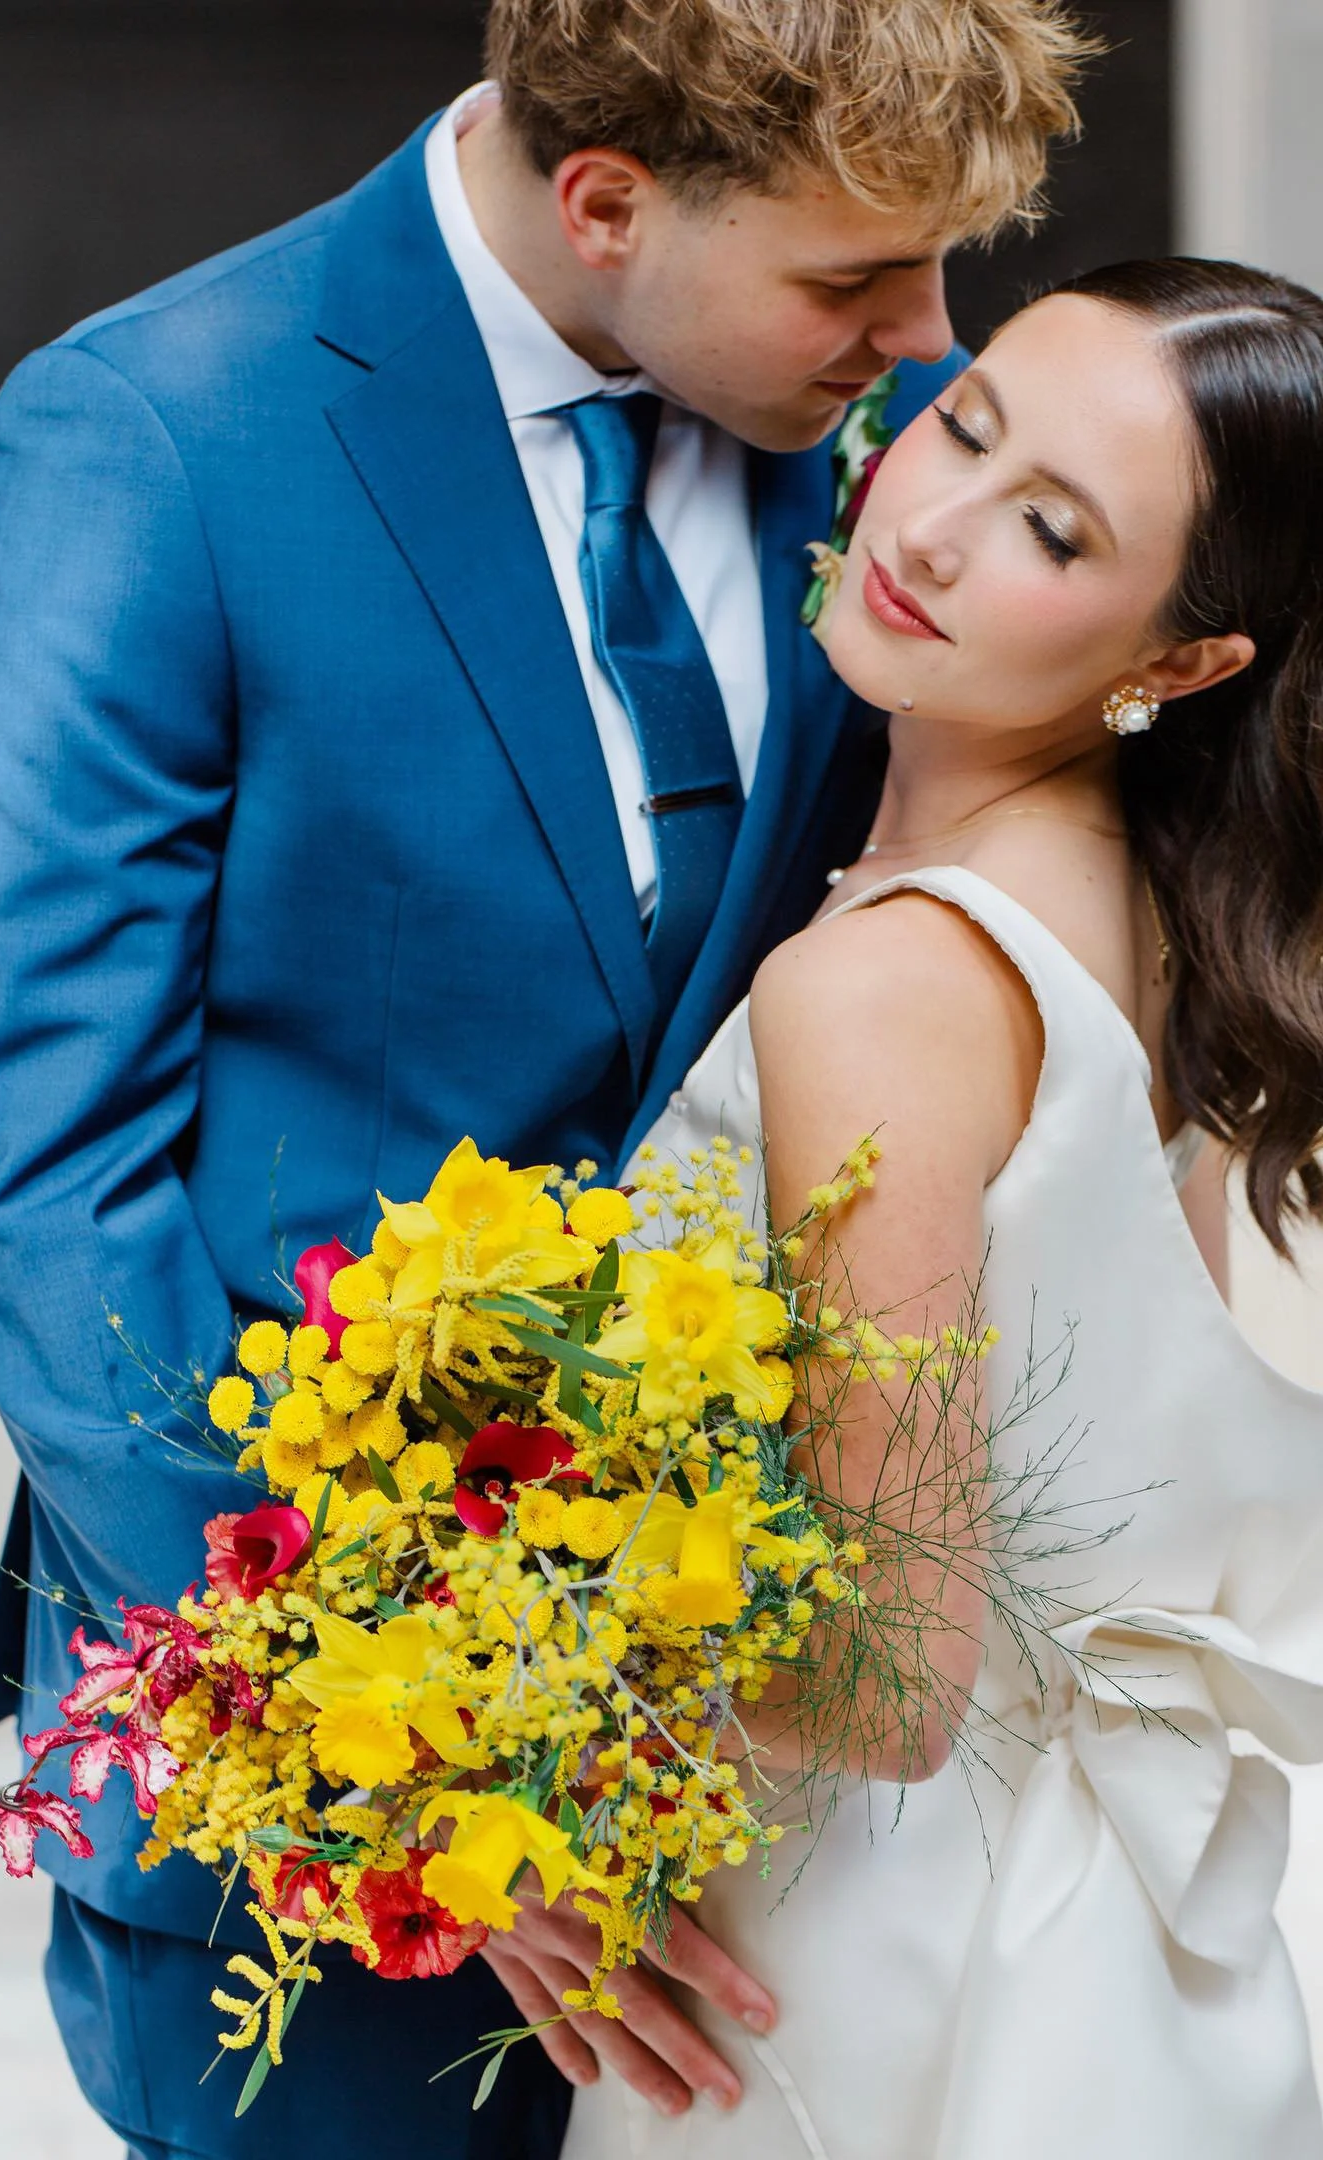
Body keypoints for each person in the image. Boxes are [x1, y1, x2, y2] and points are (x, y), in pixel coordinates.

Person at [0, 3, 1094, 2156]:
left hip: (802, 1773)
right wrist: (414, 1760)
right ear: (607, 203)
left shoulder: (902, 442)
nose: (929, 340)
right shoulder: (155, 435)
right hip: (325, 1776)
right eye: (853, 280)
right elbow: (29, 1165)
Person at [563, 257, 1323, 2160]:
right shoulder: (1165, 924)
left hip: (869, 1950)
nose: (936, 522)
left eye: (1054, 529)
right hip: (1106, 1947)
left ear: (1180, 663)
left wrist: (522, 1691)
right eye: (964, 423)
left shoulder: (883, 985)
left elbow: (887, 1680)